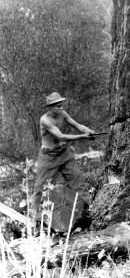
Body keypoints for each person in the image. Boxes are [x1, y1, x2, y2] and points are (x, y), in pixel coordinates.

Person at [30, 92, 96, 220]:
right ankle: (34, 218)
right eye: (58, 106)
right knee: (39, 186)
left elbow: (77, 125)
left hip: (63, 153)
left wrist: (88, 131)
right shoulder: (45, 119)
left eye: (61, 105)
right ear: (50, 107)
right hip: (48, 156)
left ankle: (88, 210)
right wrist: (82, 137)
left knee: (77, 180)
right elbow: (61, 136)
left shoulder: (63, 114)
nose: (61, 108)